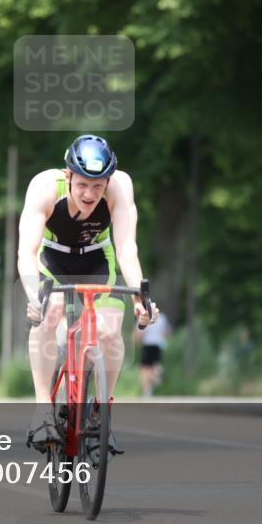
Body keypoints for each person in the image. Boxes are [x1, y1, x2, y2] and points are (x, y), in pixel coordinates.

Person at [18, 135, 158, 447]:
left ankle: (100, 414)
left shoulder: (120, 186)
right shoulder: (44, 186)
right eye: (82, 184)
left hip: (97, 259)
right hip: (52, 258)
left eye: (98, 186)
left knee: (109, 331)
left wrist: (140, 297)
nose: (90, 194)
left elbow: (126, 248)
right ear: (68, 175)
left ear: (109, 180)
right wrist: (33, 296)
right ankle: (42, 410)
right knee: (50, 310)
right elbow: (26, 252)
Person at [134, 312, 170, 397]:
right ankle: (157, 371)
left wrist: (136, 342)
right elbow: (166, 332)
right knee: (153, 366)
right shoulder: (162, 317)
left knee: (144, 369)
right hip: (158, 345)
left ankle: (147, 389)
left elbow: (140, 333)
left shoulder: (143, 316)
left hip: (148, 344)